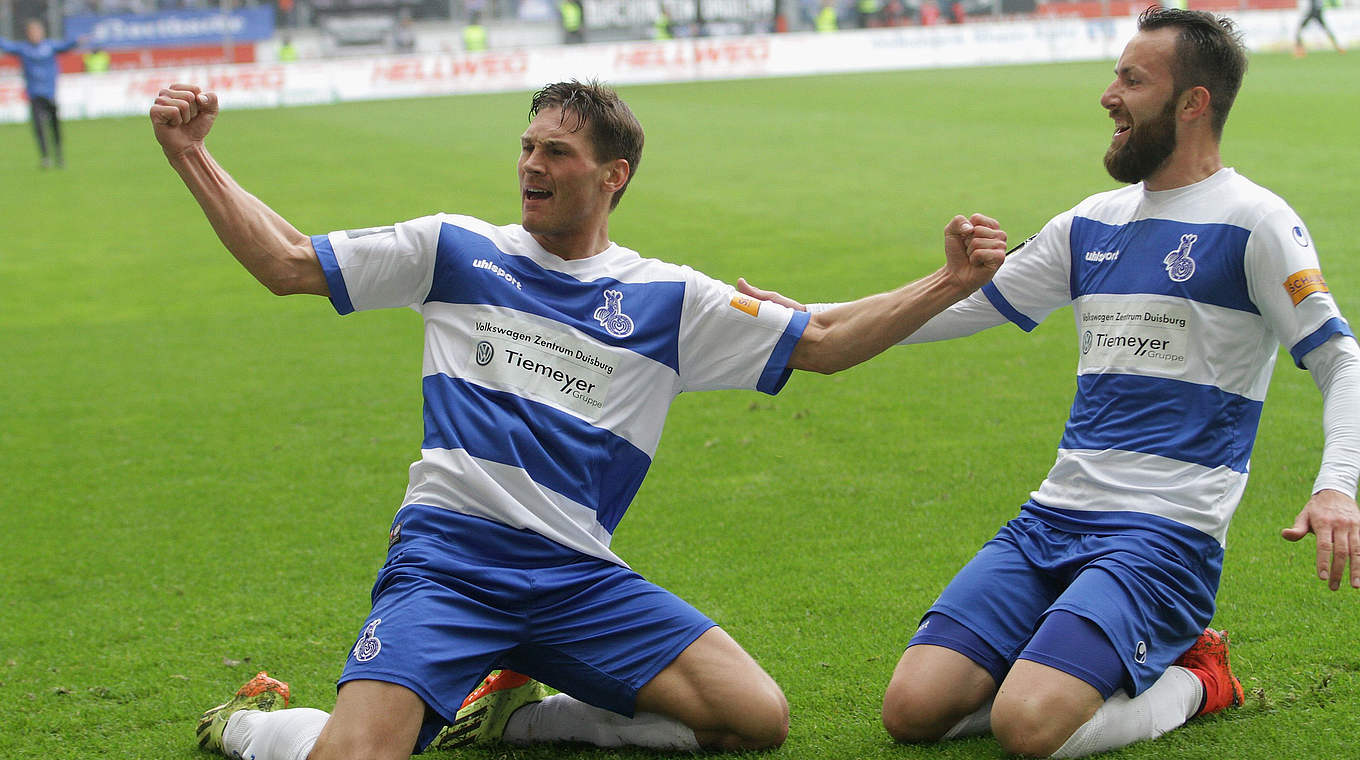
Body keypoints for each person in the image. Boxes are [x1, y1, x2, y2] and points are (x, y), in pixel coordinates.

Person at [151, 79, 1006, 760]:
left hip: (577, 577)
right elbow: (287, 263)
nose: (530, 164)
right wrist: (191, 156)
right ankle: (251, 725)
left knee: (755, 718)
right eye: (526, 146)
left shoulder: (669, 298)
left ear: (611, 175)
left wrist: (946, 284)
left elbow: (820, 340)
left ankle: (520, 719)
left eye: (555, 151)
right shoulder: (455, 248)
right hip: (451, 559)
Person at [739, 8, 1360, 758]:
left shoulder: (1258, 223)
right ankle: (1065, 658)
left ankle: (1199, 676)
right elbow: (954, 305)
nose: (1109, 95)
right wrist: (805, 316)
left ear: (1193, 103)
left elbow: (1339, 360)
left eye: (1132, 80)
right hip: (1052, 519)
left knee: (1028, 729)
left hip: (1162, 536)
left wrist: (1336, 486)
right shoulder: (1088, 225)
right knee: (911, 710)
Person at [0, 19, 85, 169]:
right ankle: (45, 157)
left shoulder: (50, 46)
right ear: (28, 34)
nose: (35, 35)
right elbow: (6, 45)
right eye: (32, 32)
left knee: (55, 127)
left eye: (37, 31)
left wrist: (76, 41)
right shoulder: (24, 48)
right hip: (34, 94)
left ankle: (59, 155)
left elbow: (66, 46)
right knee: (39, 128)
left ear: (42, 32)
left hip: (50, 93)